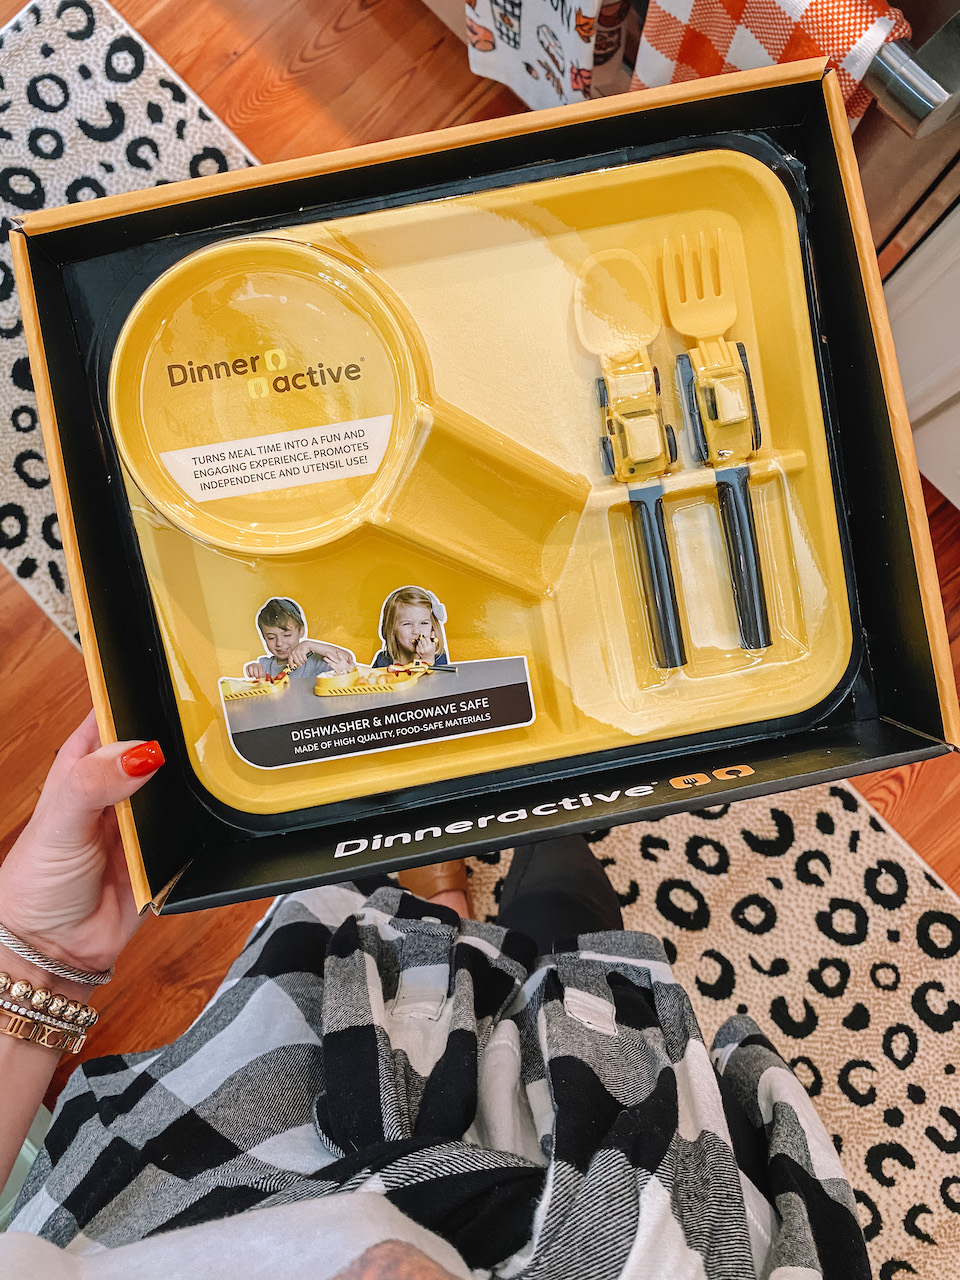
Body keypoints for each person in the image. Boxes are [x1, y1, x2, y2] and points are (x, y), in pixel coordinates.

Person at [0, 715, 871, 1279]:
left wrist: (44, 959)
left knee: (352, 924)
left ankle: (440, 888)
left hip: (204, 1184)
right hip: (604, 1225)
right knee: (571, 958)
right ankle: (528, 839)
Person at [243, 597, 354, 681]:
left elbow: (347, 658)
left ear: (301, 630)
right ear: (264, 637)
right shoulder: (266, 667)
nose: (279, 643)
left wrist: (309, 645)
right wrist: (254, 670)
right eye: (271, 637)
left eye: (287, 635)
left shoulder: (316, 661)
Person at [372, 585, 449, 668]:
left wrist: (427, 660)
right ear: (392, 629)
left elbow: (438, 677)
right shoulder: (382, 660)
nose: (416, 631)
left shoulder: (439, 658)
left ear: (433, 628)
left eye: (424, 623)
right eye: (407, 624)